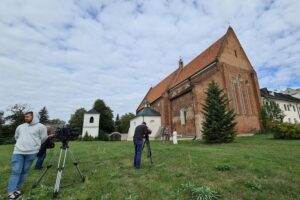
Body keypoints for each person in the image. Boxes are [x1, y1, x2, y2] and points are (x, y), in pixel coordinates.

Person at [7, 112, 48, 200]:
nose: (25, 118)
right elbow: (16, 137)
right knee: (16, 172)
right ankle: (11, 193)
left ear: (34, 117)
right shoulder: (20, 126)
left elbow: (44, 138)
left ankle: (17, 189)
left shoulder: (41, 127)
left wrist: (35, 146)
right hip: (18, 151)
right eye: (25, 117)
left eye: (27, 116)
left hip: (32, 153)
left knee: (25, 171)